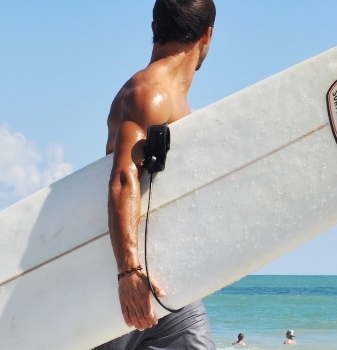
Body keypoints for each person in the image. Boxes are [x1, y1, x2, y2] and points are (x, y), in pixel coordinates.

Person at [97, 0, 216, 349]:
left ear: (155, 28)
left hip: (164, 276)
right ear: (207, 36)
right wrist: (128, 272)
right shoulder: (151, 93)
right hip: (126, 275)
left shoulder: (169, 96)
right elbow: (123, 179)